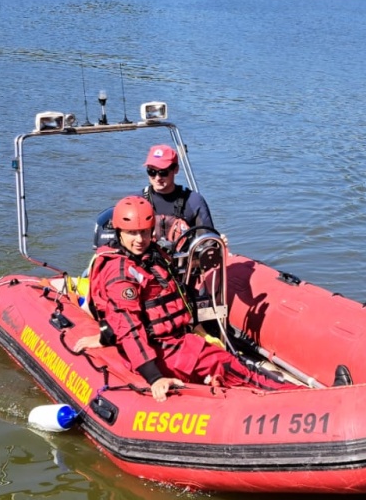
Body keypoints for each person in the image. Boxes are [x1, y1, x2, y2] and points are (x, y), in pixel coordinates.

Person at [90, 196, 279, 402]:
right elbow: (128, 328)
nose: (139, 239)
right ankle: (299, 398)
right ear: (118, 233)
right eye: (131, 233)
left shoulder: (152, 254)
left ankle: (290, 395)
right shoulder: (120, 274)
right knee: (235, 369)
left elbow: (176, 282)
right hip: (164, 350)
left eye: (144, 232)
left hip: (180, 339)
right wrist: (154, 378)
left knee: (238, 366)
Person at [139, 144, 215, 249]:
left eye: (163, 172)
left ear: (176, 170)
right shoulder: (137, 200)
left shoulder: (194, 201)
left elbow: (209, 242)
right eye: (151, 172)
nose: (157, 178)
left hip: (183, 262)